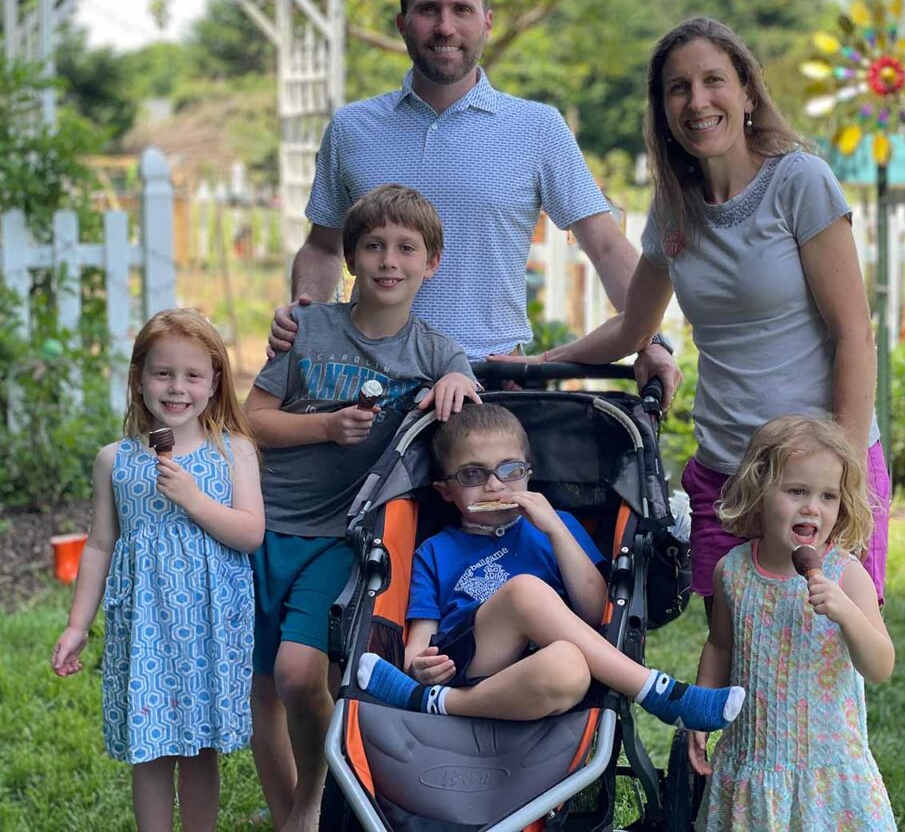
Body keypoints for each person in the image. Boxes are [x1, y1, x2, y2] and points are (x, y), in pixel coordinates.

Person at [505, 17, 889, 612]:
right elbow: (635, 327)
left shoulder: (799, 182)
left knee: (828, 659)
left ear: (748, 92)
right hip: (727, 477)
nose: (697, 100)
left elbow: (854, 334)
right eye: (678, 88)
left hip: (817, 478)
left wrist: (844, 472)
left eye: (714, 80)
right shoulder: (672, 211)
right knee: (735, 657)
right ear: (662, 109)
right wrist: (541, 364)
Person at [267, 0, 679, 398]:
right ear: (403, 24)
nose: (445, 27)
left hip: (492, 382)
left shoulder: (538, 128)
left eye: (461, 9)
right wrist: (305, 310)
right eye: (428, 10)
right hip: (366, 382)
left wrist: (650, 340)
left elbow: (603, 245)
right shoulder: (352, 128)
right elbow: (323, 247)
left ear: (487, 21)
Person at [244, 183, 480, 832]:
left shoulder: (435, 351)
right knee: (259, 690)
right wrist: (322, 428)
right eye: (373, 245)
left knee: (299, 674)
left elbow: (467, 395)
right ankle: (290, 812)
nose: (388, 259)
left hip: (340, 537)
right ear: (350, 258)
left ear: (431, 263)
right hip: (263, 525)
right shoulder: (310, 327)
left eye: (406, 247)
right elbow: (253, 417)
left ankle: (314, 795)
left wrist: (459, 380)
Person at [356, 403, 745, 732]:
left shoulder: (558, 527)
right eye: (473, 475)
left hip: (535, 668)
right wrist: (419, 667)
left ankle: (438, 703)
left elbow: (596, 612)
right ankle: (655, 691)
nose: (495, 486)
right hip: (472, 655)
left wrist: (556, 529)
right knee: (526, 591)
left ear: (528, 473)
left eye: (509, 470)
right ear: (446, 490)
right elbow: (417, 648)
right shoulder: (435, 551)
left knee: (569, 668)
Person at [51, 309, 264, 832]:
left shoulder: (233, 452)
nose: (177, 387)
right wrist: (78, 625)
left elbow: (250, 533)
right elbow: (100, 545)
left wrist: (193, 499)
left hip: (208, 627)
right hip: (144, 625)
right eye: (163, 373)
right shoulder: (115, 460)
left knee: (197, 746)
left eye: (193, 375)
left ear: (215, 382)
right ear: (139, 378)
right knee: (150, 747)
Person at [688, 415, 896, 831]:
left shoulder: (846, 575)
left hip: (827, 770)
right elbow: (720, 646)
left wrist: (847, 612)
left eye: (828, 497)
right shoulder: (732, 572)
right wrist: (701, 710)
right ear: (759, 491)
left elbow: (880, 666)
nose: (812, 507)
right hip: (753, 761)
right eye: (797, 491)